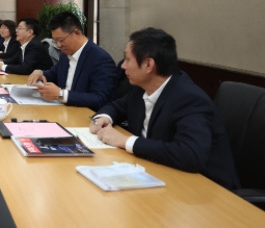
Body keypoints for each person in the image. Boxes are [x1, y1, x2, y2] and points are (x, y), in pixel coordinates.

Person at [89, 28, 240, 190]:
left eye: (127, 59)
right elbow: (118, 106)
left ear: (148, 65)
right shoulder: (141, 87)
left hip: (205, 190)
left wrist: (126, 141)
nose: (123, 66)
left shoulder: (189, 99)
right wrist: (104, 117)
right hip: (155, 173)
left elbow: (190, 154)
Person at [27, 11, 116, 110]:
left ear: (77, 33)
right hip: (64, 110)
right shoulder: (65, 54)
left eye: (61, 40)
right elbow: (53, 73)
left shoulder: (100, 59)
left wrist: (61, 95)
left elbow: (100, 99)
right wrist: (40, 73)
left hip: (84, 115)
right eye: (55, 42)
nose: (58, 46)